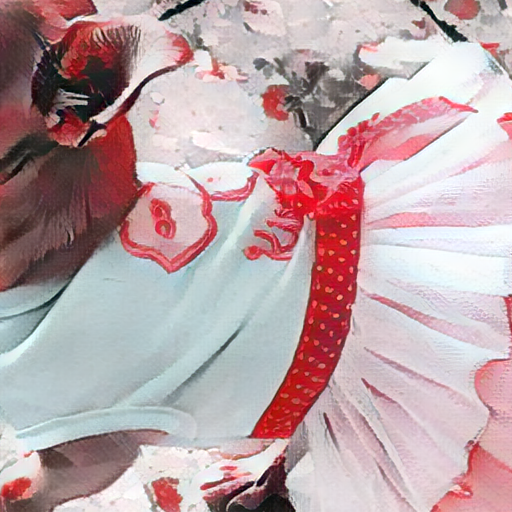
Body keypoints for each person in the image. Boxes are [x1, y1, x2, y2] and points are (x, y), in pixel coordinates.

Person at [1, 1, 512, 511]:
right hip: (377, 247)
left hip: (427, 353)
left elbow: (88, 459)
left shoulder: (56, 356)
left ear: (86, 97)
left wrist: (35, 498)